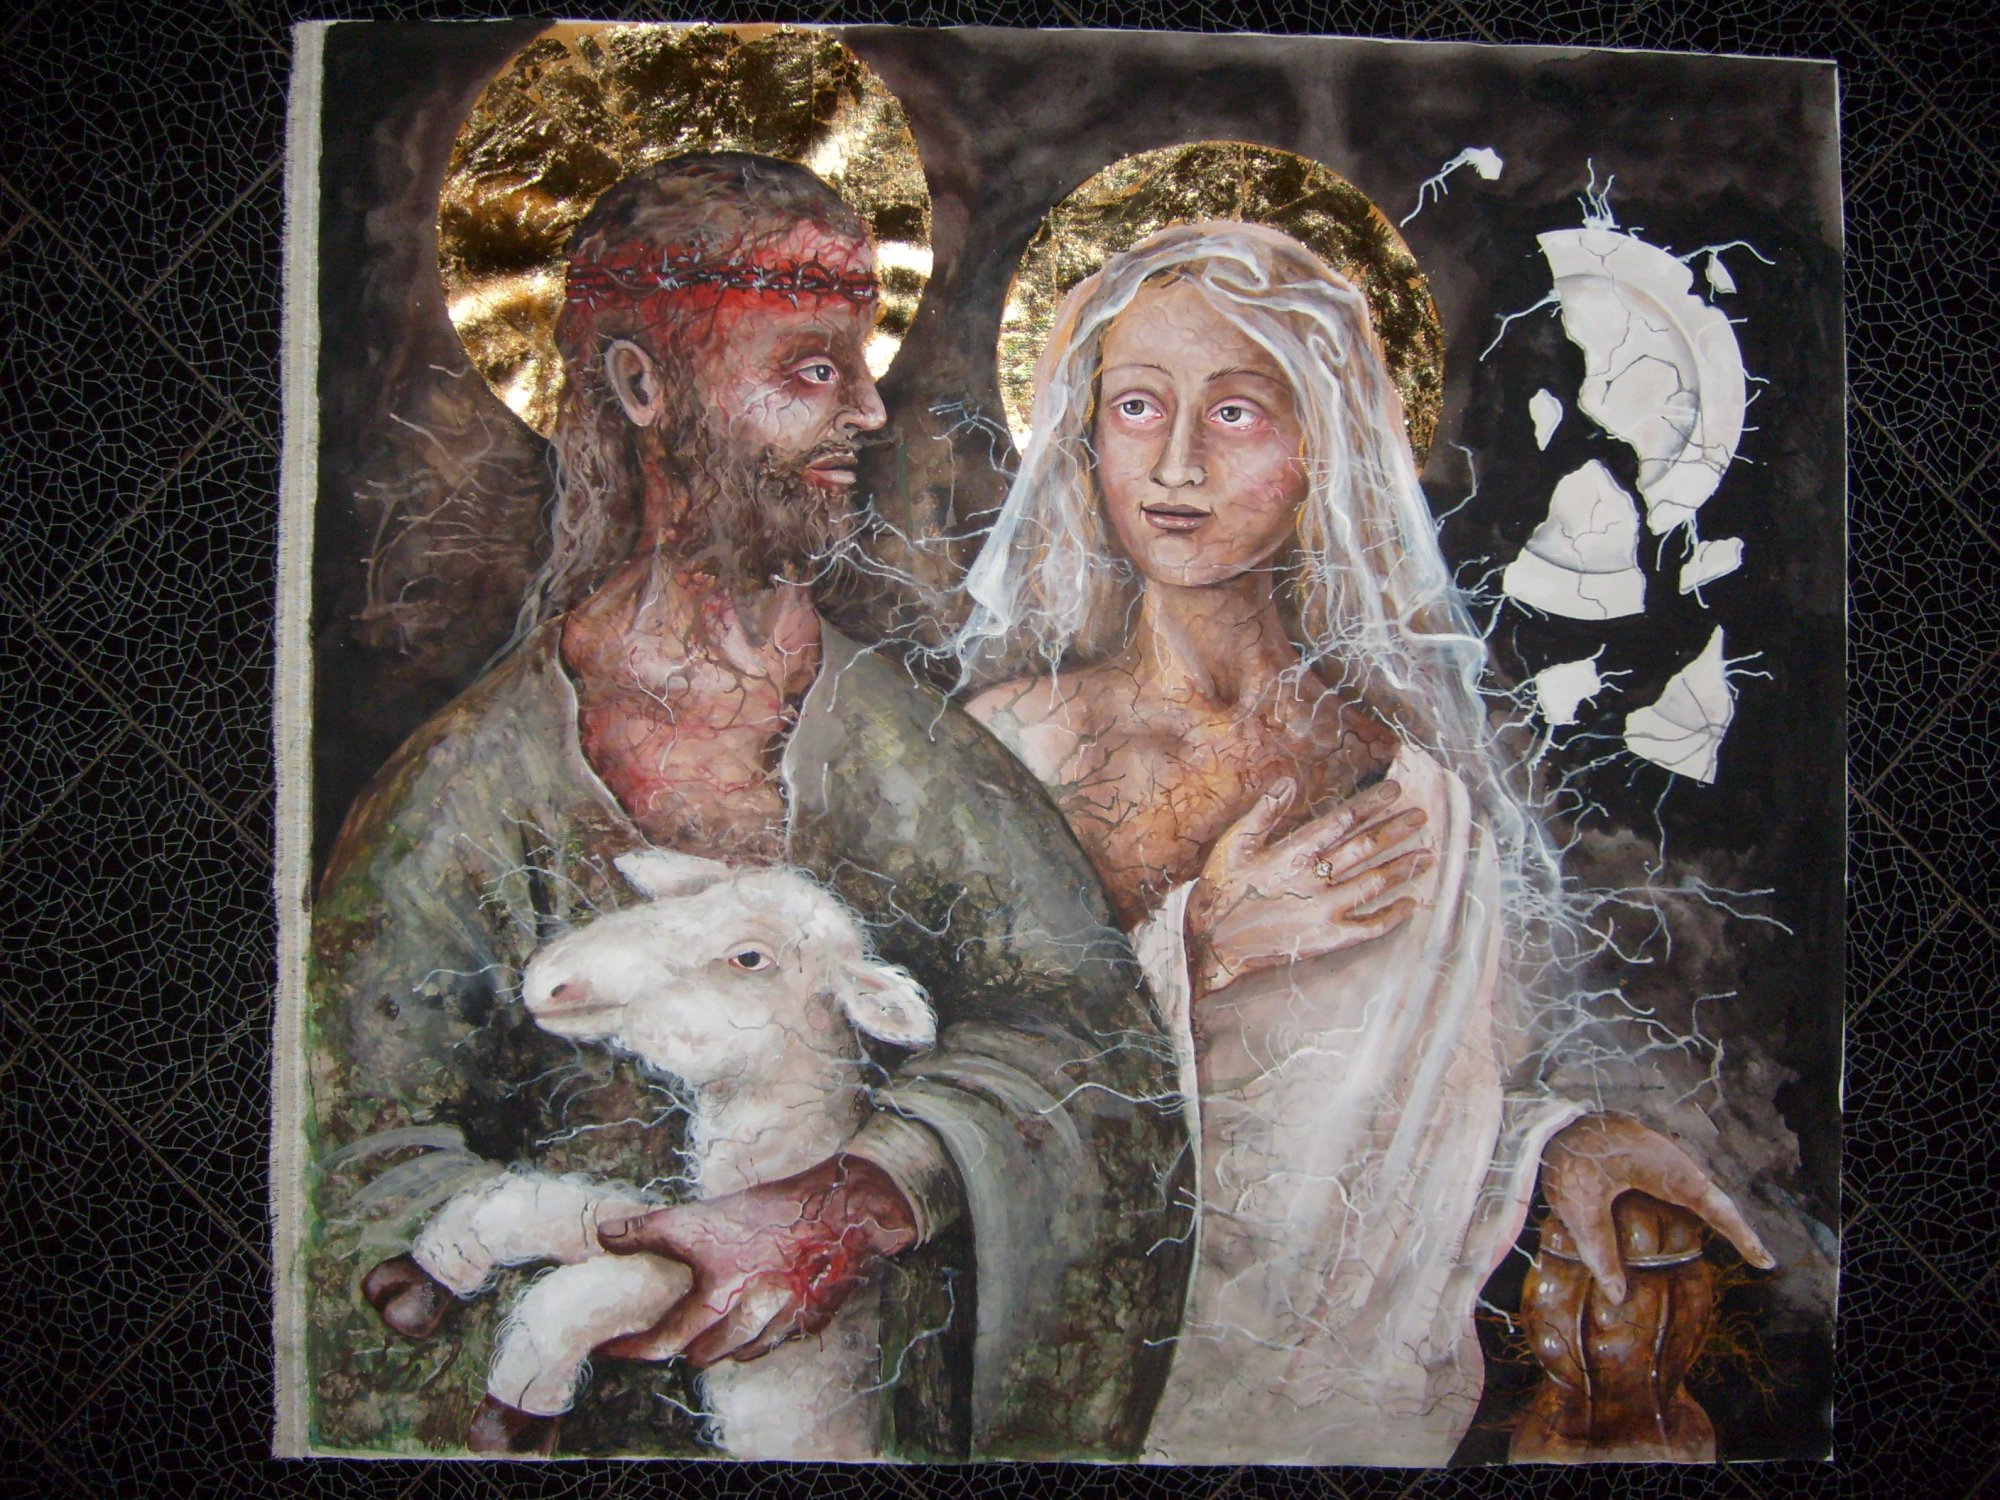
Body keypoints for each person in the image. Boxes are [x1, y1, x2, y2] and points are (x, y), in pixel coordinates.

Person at [308, 153, 1190, 1460]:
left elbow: (1094, 1057)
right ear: (644, 389)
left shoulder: (921, 766)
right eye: (812, 369)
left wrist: (873, 1186)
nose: (870, 412)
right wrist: (598, 1252)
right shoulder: (467, 792)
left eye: (862, 365)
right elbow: (349, 1163)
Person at [955, 220, 1775, 1464]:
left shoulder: (1410, 789)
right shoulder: (1008, 746)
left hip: (1331, 1405)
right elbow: (948, 1090)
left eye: (1235, 413)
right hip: (1075, 1380)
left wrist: (1559, 1146)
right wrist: (1203, 945)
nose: (1174, 463)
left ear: (1324, 451)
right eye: (1135, 406)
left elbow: (1411, 1120)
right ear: (1082, 435)